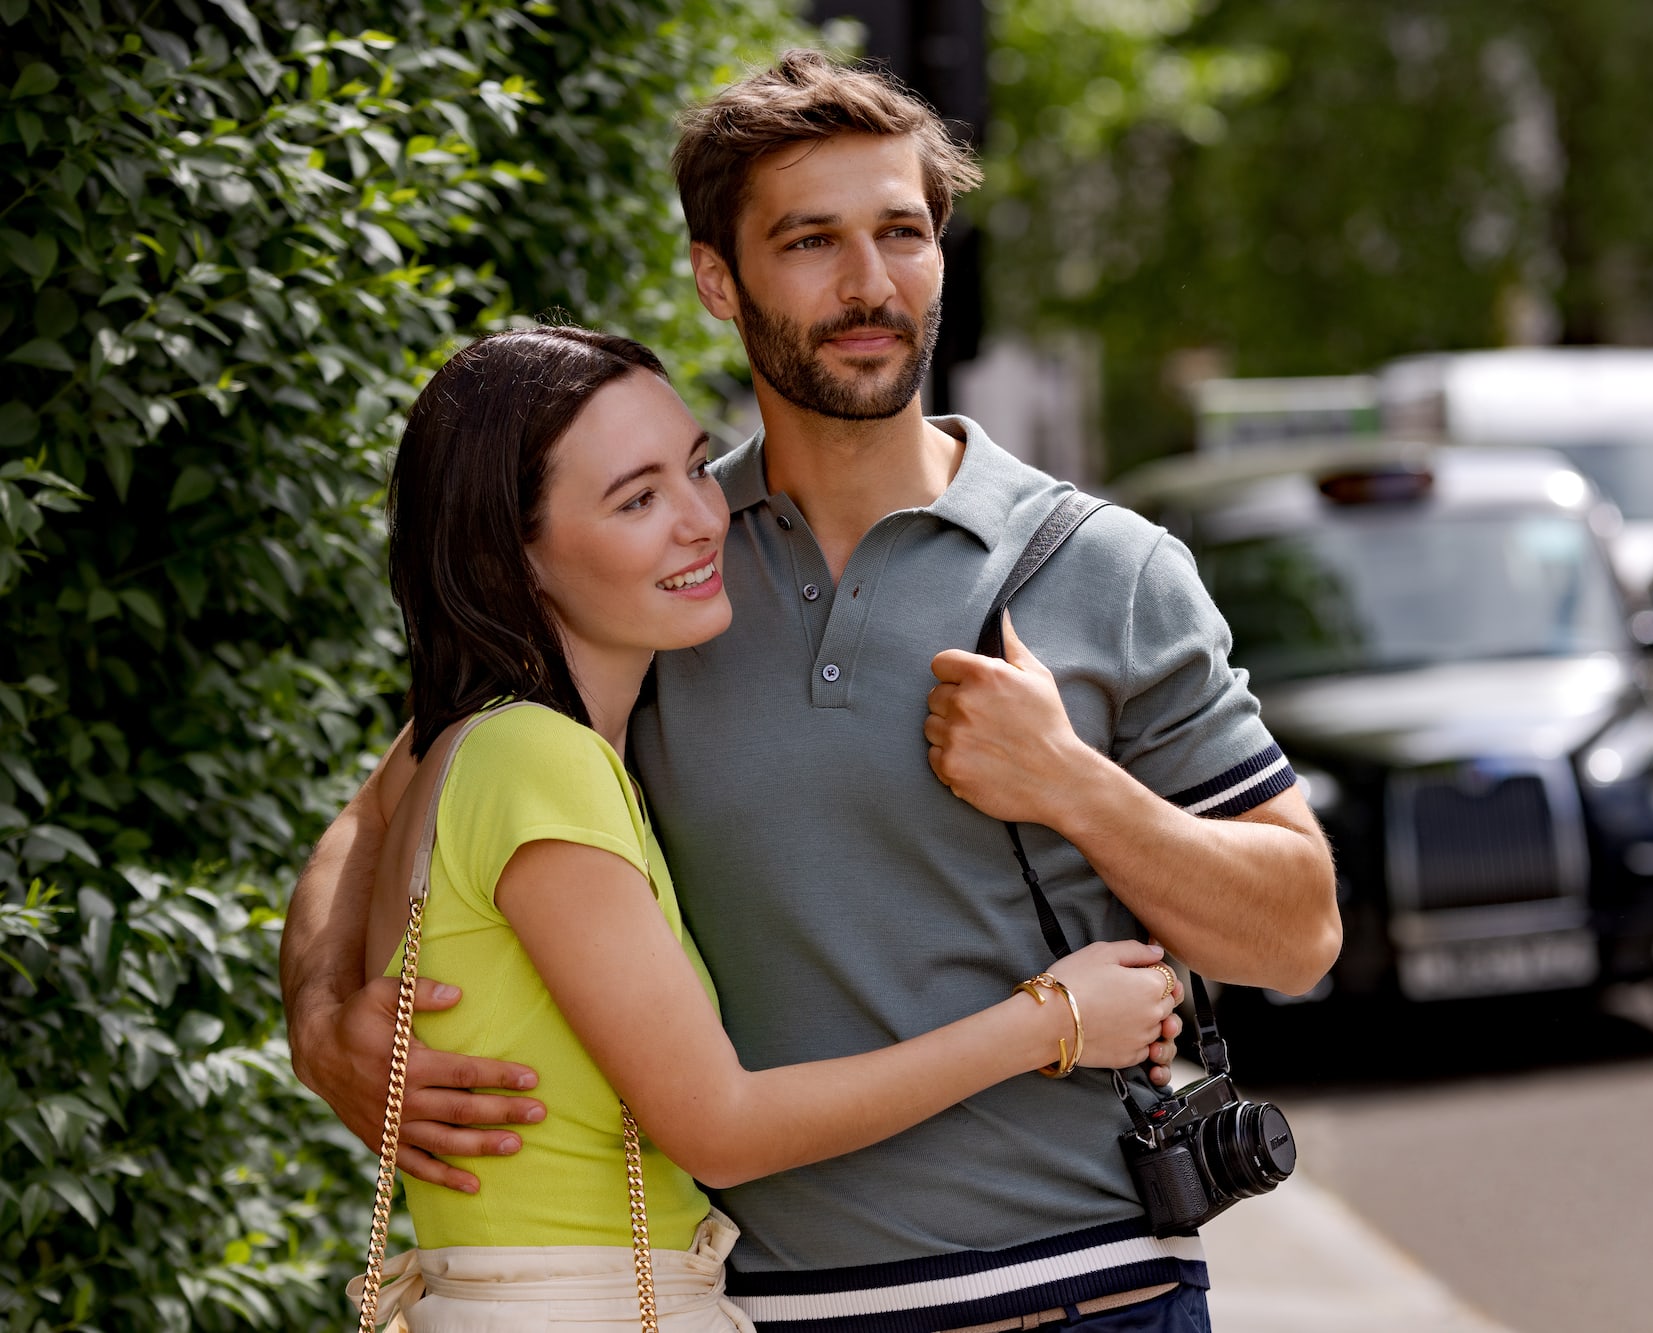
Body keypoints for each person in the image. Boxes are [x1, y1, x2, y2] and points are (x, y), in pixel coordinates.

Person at [283, 50, 1342, 1333]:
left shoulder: (1105, 571)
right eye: (810, 241)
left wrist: (1072, 785)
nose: (868, 284)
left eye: (902, 233)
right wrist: (332, 1024)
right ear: (717, 279)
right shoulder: (659, 565)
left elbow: (1297, 932)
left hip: (1089, 1293)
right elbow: (382, 819)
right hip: (773, 1311)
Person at [342, 323, 1185, 1329]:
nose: (702, 519)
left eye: (696, 468)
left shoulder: (473, 749)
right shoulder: (537, 761)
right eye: (636, 499)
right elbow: (721, 1129)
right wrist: (1054, 1018)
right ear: (511, 556)